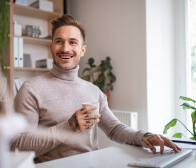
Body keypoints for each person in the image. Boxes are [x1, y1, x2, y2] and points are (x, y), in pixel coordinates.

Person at [11, 14, 181, 163]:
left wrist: (145, 136)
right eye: (59, 42)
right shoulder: (31, 90)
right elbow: (18, 147)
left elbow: (114, 129)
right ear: (51, 48)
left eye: (72, 42)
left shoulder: (93, 91)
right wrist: (69, 126)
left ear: (82, 50)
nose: (65, 48)